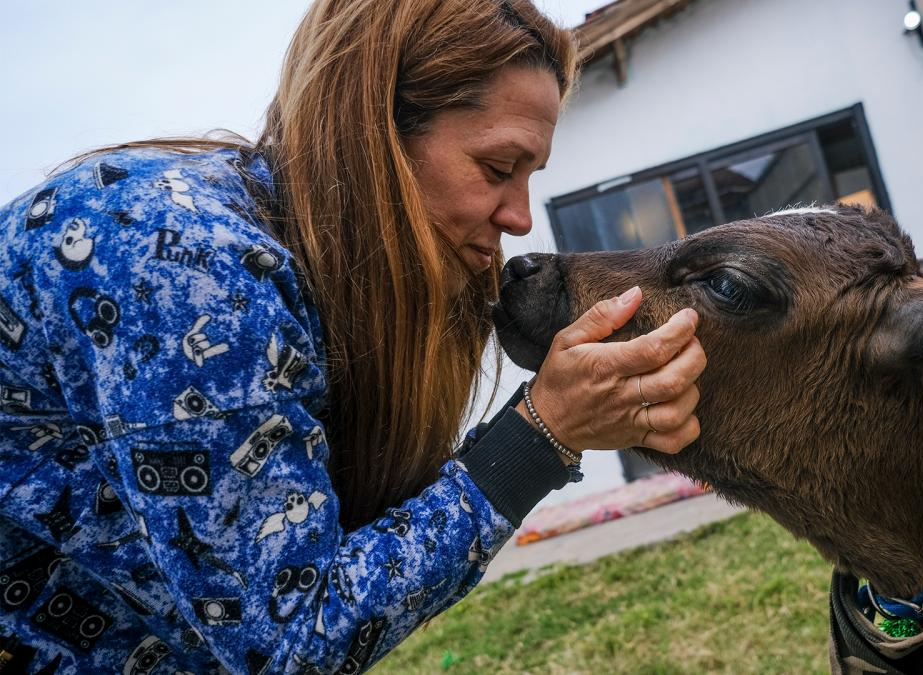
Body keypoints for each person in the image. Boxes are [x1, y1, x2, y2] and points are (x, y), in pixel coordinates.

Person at [0, 0, 706, 672]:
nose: (520, 217)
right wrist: (542, 433)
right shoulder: (189, 271)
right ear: (375, 136)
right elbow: (294, 640)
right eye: (497, 168)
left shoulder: (279, 260)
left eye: (530, 177)